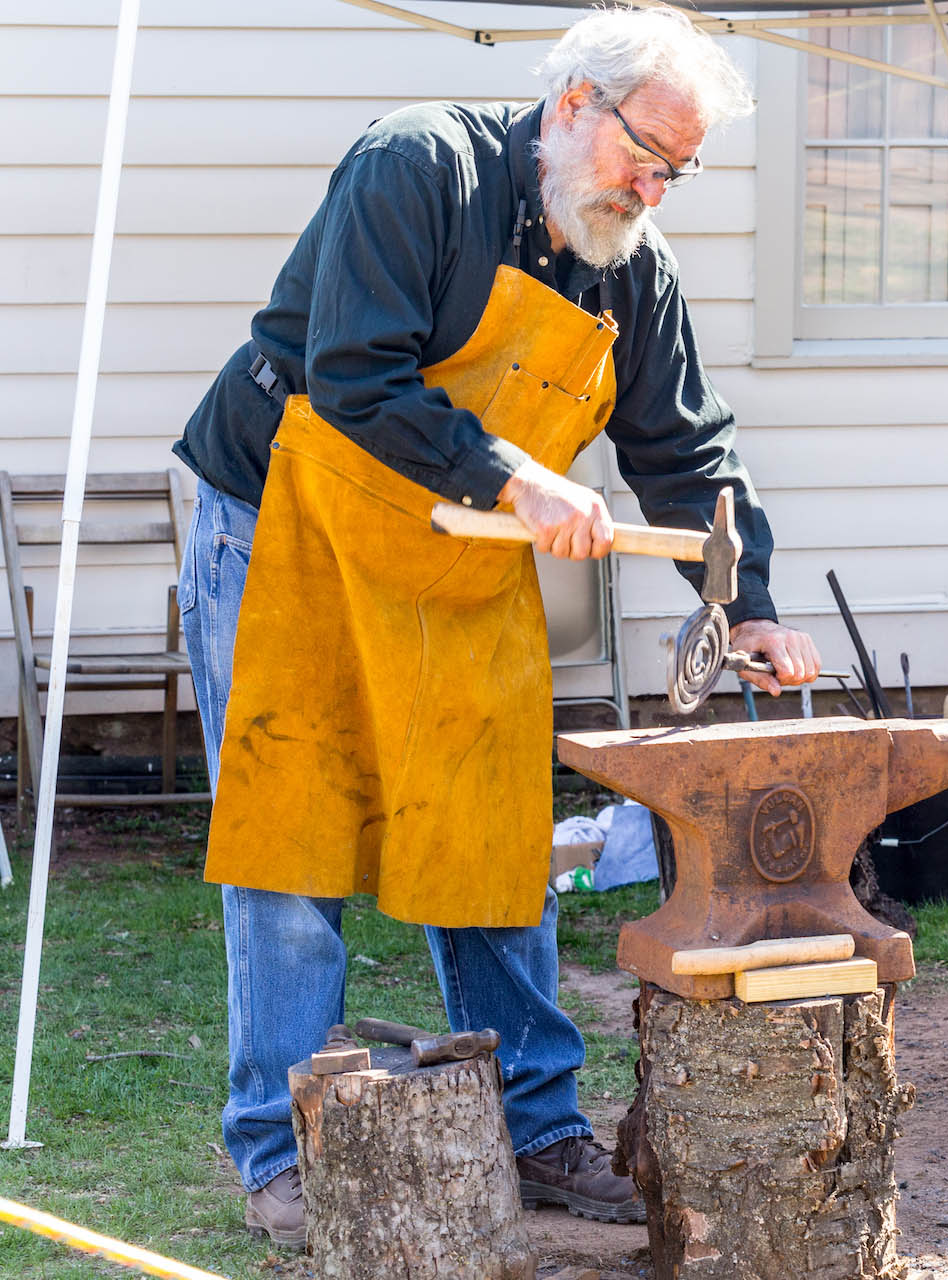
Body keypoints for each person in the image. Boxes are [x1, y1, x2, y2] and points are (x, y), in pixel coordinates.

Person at [173, 9, 821, 1246]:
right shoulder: (415, 168)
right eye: (646, 154)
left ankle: (540, 1124)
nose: (654, 187)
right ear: (575, 101)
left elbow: (687, 448)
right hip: (283, 522)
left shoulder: (634, 264)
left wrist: (748, 603)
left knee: (491, 832)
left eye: (678, 171)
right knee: (289, 842)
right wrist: (517, 478)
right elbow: (355, 375)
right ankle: (280, 1146)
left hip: (456, 557)